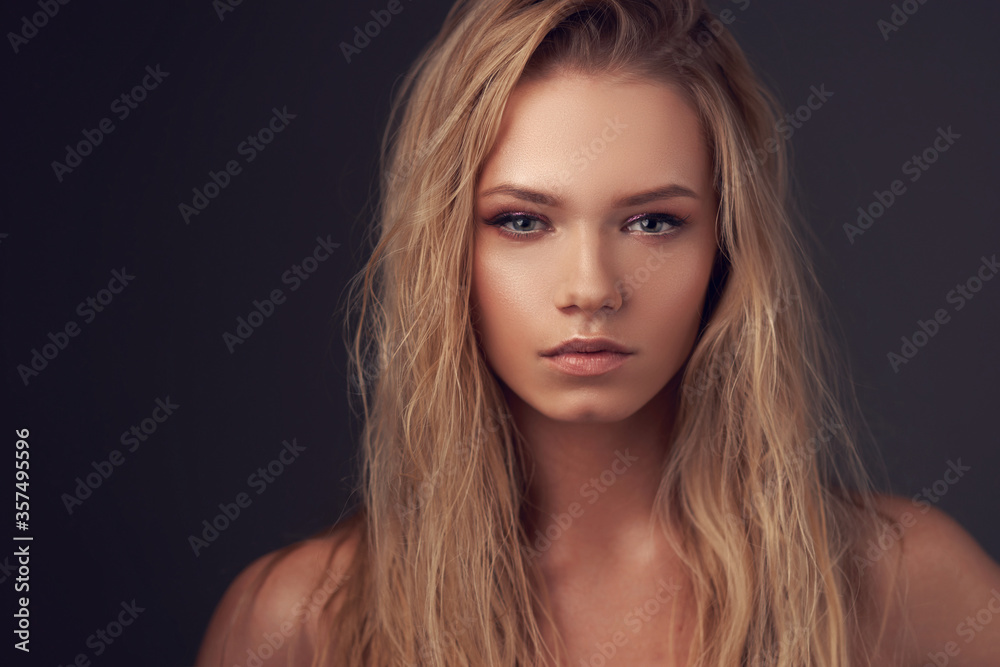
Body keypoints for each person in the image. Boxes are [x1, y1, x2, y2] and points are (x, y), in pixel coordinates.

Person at [195, 1, 1000, 664]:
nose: (592, 288)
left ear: (724, 246)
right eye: (522, 220)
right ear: (447, 249)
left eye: (653, 221)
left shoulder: (907, 585)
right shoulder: (299, 623)